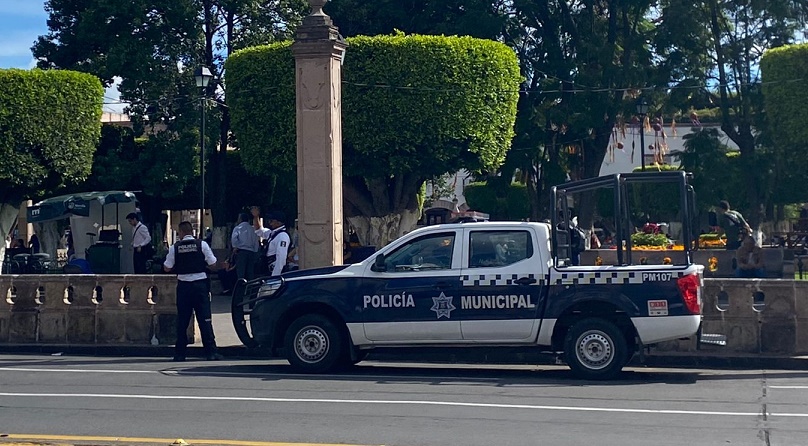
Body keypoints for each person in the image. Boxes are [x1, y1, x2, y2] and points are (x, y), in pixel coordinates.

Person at [163, 221, 222, 361]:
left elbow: (167, 267)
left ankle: (180, 354)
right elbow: (213, 264)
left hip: (184, 286)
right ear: (191, 231)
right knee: (205, 319)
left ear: (181, 232)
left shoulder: (175, 247)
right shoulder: (201, 244)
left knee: (183, 321)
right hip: (200, 286)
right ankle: (211, 352)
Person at [230, 212, 260, 281]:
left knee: (241, 272)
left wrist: (235, 247)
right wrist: (255, 252)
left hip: (241, 252)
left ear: (240, 219)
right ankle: (250, 289)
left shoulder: (238, 228)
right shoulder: (253, 229)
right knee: (250, 272)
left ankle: (241, 289)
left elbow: (234, 239)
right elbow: (256, 242)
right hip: (251, 253)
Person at [262, 211, 290, 276]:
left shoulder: (282, 236)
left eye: (271, 221)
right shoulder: (273, 233)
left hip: (275, 270)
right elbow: (259, 230)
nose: (270, 223)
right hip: (269, 268)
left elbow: (281, 257)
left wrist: (275, 275)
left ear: (278, 222)